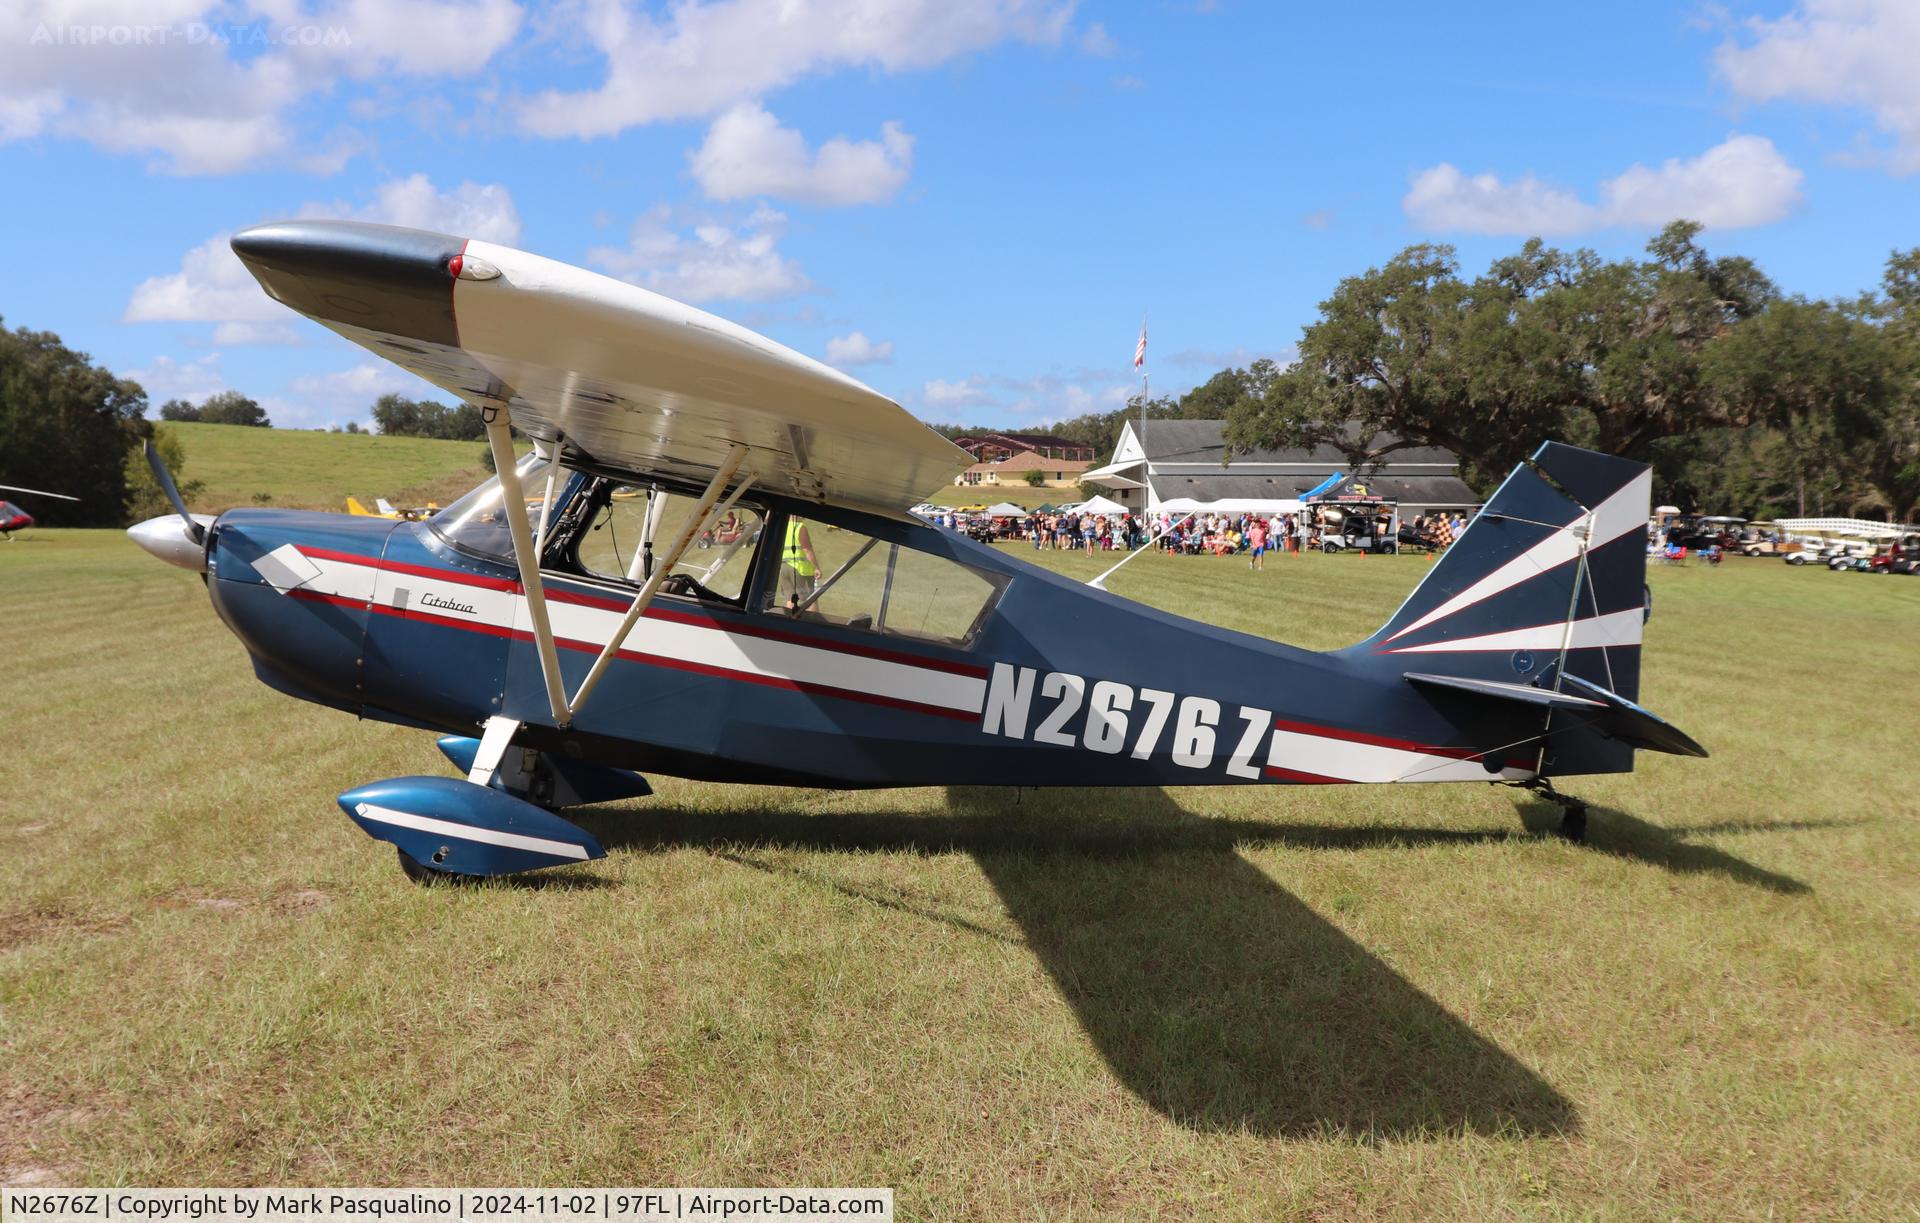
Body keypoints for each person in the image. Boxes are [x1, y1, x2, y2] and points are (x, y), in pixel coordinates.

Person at [781, 515, 820, 609]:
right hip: (800, 569)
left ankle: (789, 622)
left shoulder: (783, 525)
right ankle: (812, 622)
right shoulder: (799, 527)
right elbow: (806, 549)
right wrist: (816, 567)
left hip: (783, 567)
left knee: (791, 600)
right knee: (810, 600)